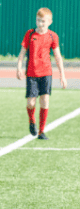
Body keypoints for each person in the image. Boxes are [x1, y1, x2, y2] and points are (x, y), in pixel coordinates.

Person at [16, 7, 67, 140]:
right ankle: (32, 121)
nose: (40, 24)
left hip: (46, 73)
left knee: (45, 100)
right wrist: (19, 67)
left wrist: (62, 75)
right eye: (38, 20)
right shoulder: (30, 34)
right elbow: (22, 53)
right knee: (31, 103)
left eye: (43, 21)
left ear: (50, 22)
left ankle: (41, 131)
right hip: (31, 74)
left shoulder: (52, 36)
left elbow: (57, 56)